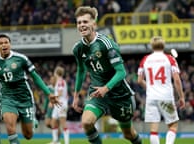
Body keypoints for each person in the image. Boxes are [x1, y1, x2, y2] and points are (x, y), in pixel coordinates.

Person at [72, 6, 142, 144]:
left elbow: (121, 72)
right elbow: (81, 70)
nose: (82, 25)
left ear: (94, 24)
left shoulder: (107, 44)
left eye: (85, 22)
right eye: (79, 22)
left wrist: (106, 88)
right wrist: (76, 95)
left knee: (128, 134)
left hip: (119, 94)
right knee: (86, 123)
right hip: (97, 92)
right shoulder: (78, 48)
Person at [0, 34, 60, 144]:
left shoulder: (21, 58)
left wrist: (48, 93)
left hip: (24, 98)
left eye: (6, 42)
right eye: (1, 43)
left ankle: (32, 121)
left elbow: (35, 76)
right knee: (10, 128)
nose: (4, 45)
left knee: (28, 135)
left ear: (10, 44)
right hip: (7, 98)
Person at [137, 36, 185, 144]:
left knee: (153, 130)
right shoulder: (170, 59)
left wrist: (150, 88)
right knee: (173, 126)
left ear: (152, 46)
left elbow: (140, 80)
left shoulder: (145, 59)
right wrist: (181, 97)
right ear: (163, 45)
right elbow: (177, 79)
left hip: (151, 98)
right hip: (166, 97)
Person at [50, 66, 69, 144]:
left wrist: (53, 99)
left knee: (63, 123)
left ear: (56, 73)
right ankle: (55, 141)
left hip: (61, 104)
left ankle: (67, 142)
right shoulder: (59, 81)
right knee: (53, 121)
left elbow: (60, 93)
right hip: (57, 104)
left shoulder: (60, 81)